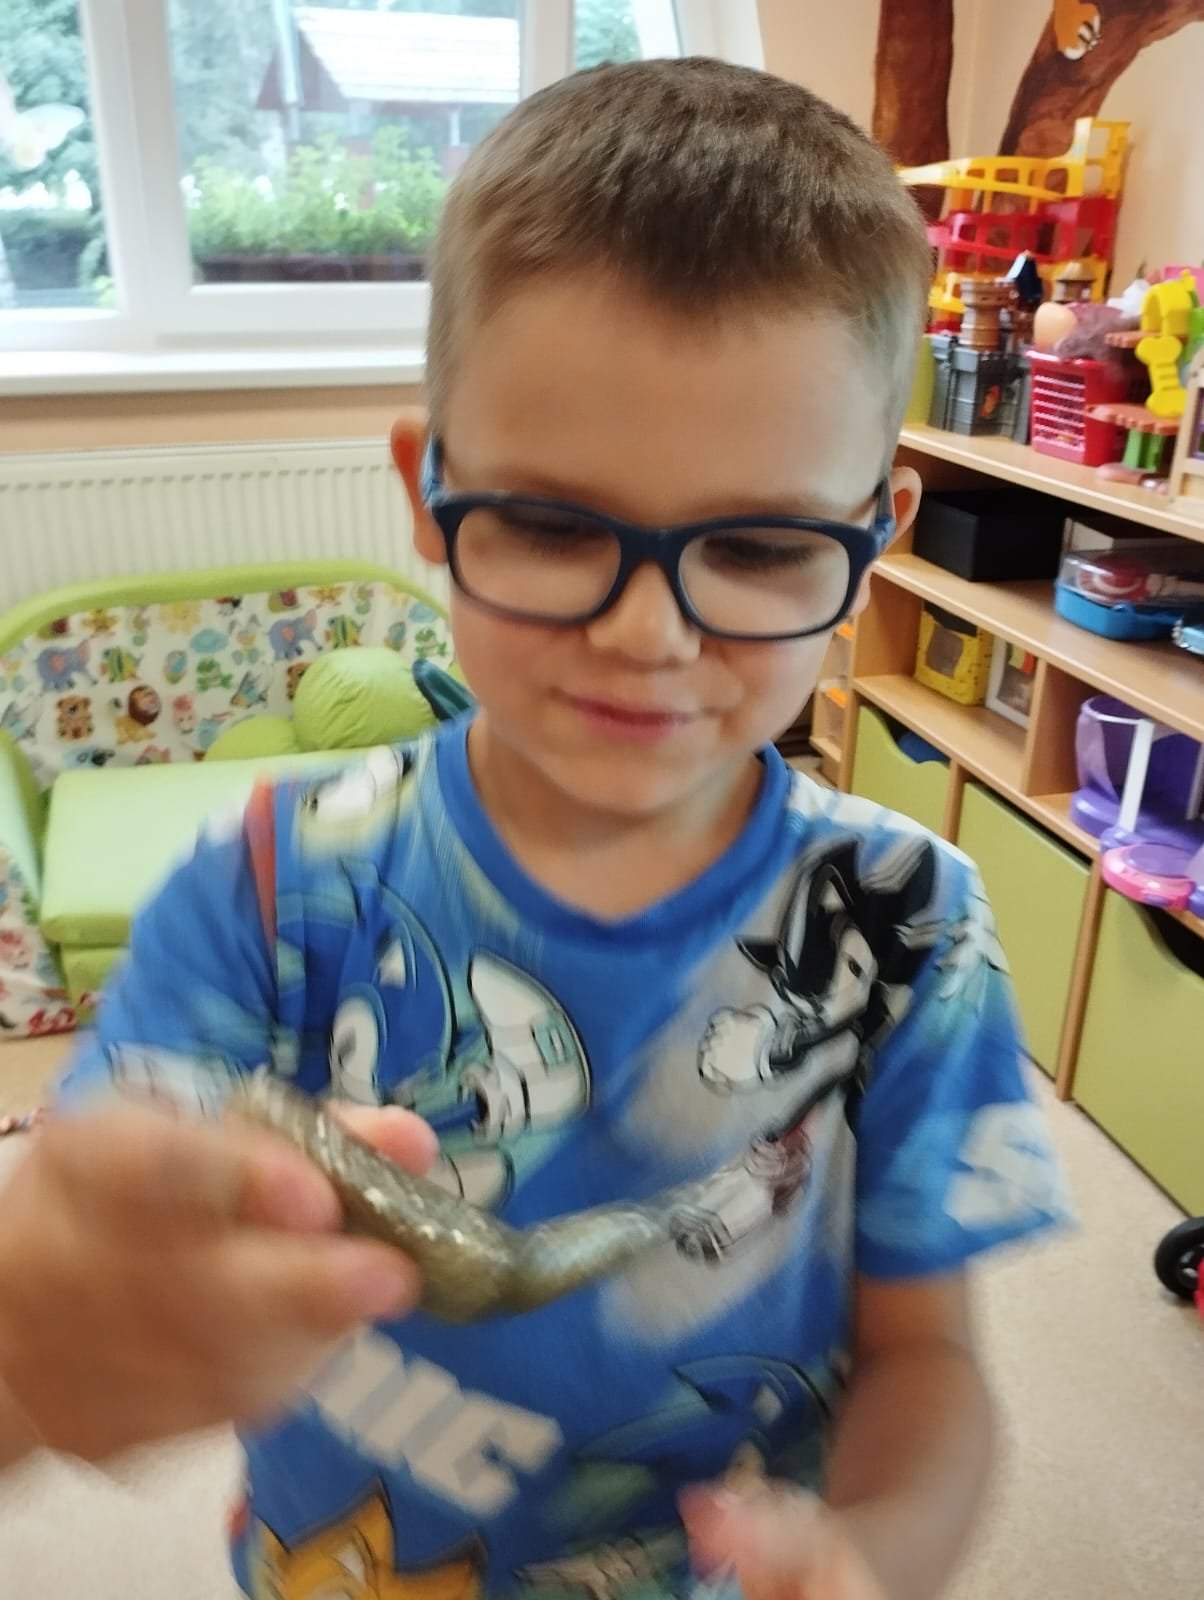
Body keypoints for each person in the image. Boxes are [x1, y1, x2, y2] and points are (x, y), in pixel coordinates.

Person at [38, 57, 1068, 1600]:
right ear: (427, 490)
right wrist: (85, 1284)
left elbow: (933, 1364)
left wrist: (874, 1551)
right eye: (549, 523)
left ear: (874, 540)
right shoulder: (273, 882)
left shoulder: (906, 924)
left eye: (762, 546)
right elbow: (100, 1233)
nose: (650, 635)